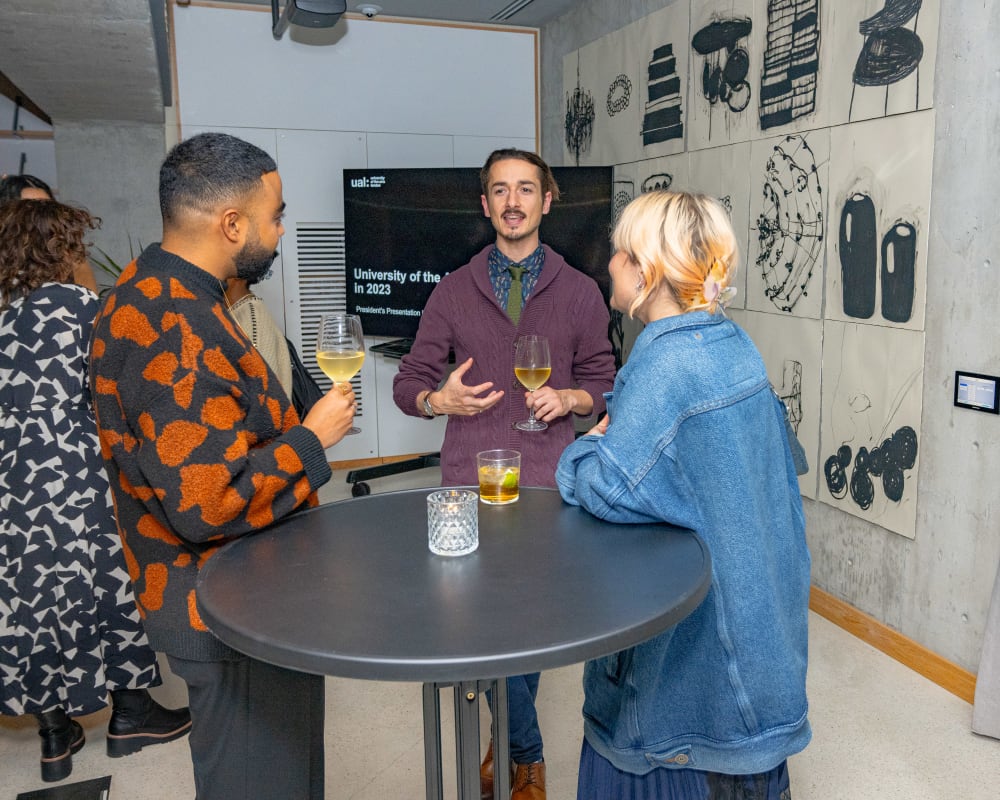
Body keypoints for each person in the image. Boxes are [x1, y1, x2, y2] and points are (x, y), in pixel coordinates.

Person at [88, 132, 357, 799]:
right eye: (276, 216)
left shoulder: (148, 286)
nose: (282, 230)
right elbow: (206, 504)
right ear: (231, 224)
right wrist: (311, 438)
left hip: (243, 597)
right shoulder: (175, 324)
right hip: (231, 609)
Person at [555, 191, 811, 800]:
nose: (609, 264)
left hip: (692, 708)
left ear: (644, 272)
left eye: (619, 252)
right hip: (760, 659)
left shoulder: (663, 367)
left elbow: (605, 487)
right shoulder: (734, 343)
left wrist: (584, 448)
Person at [393, 148, 616, 800]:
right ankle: (527, 755)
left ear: (547, 201)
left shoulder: (581, 291)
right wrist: (438, 400)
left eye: (525, 189)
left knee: (527, 622)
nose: (512, 201)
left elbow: (604, 382)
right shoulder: (451, 291)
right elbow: (409, 384)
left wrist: (570, 399)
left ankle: (515, 748)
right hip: (469, 481)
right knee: (482, 625)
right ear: (485, 204)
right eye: (500, 190)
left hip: (548, 479)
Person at [0, 199, 192, 783]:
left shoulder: (3, 317)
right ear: (63, 248)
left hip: (12, 478)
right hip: (79, 468)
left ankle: (55, 737)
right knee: (108, 580)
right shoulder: (89, 309)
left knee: (31, 596)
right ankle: (131, 715)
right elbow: (124, 392)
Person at [0, 173, 99, 293]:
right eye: (31, 210)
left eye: (47, 207)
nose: (42, 216)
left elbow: (87, 299)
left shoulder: (70, 256)